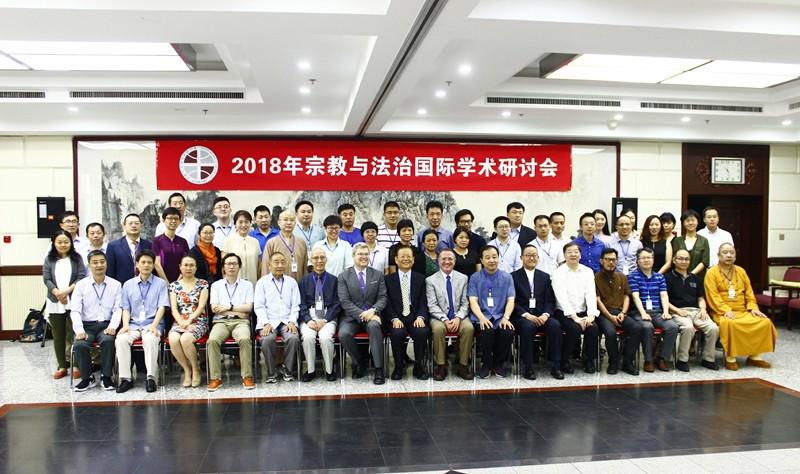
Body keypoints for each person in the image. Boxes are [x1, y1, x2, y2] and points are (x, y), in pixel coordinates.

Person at [705, 243, 777, 370]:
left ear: (735, 256)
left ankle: (754, 356)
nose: (729, 255)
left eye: (732, 253)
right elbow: (713, 295)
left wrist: (753, 308)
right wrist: (725, 310)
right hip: (721, 311)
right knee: (730, 323)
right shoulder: (711, 273)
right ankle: (730, 358)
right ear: (718, 255)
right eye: (725, 252)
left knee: (764, 322)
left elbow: (749, 293)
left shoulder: (741, 271)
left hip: (743, 310)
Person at [115, 250, 168, 393]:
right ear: (137, 264)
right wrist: (125, 325)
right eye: (143, 262)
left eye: (149, 262)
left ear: (153, 265)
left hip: (152, 323)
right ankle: (126, 378)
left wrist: (154, 325)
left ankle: (151, 377)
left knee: (150, 339)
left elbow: (162, 307)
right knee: (121, 339)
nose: (146, 265)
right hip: (133, 324)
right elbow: (126, 308)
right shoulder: (128, 284)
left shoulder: (161, 284)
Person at [71, 250, 122, 392]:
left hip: (106, 325)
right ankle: (87, 378)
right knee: (80, 344)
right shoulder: (81, 285)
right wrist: (79, 330)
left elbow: (118, 309)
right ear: (89, 265)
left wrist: (113, 326)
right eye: (95, 262)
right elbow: (75, 310)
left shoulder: (116, 285)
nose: (99, 265)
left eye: (102, 262)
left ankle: (107, 376)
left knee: (108, 340)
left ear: (107, 264)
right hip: (87, 326)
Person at [337, 243, 388, 384]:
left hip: (373, 315)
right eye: (360, 254)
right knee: (343, 334)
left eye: (366, 254)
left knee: (374, 327)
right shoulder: (343, 276)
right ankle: (359, 362)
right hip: (351, 318)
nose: (364, 257)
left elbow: (383, 297)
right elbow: (345, 302)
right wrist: (363, 314)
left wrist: (373, 310)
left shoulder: (377, 274)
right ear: (353, 256)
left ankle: (379, 369)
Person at [511, 245, 564, 380]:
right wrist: (527, 315)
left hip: (542, 315)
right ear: (521, 258)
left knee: (555, 325)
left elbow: (550, 300)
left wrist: (545, 315)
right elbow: (512, 301)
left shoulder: (545, 277)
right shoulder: (513, 277)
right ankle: (528, 367)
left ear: (538, 258)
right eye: (528, 255)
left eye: (534, 255)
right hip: (522, 316)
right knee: (528, 327)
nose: (531, 258)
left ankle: (556, 366)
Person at [666, 249, 720, 372]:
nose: (684, 261)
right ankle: (682, 360)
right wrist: (677, 311)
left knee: (713, 328)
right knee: (688, 327)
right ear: (674, 260)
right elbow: (664, 300)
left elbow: (701, 298)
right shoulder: (667, 278)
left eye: (686, 259)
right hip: (677, 311)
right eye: (680, 258)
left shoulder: (695, 278)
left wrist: (703, 309)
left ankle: (708, 359)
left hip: (696, 311)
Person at [207, 253, 255, 391]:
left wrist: (228, 307)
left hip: (241, 322)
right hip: (220, 322)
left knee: (245, 339)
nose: (231, 267)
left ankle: (247, 376)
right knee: (212, 341)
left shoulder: (247, 285)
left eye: (234, 264)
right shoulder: (216, 285)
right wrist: (238, 311)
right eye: (228, 264)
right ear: (223, 267)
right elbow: (215, 308)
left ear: (239, 266)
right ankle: (215, 378)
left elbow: (249, 308)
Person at [43, 230, 86, 379]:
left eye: (66, 242)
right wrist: (57, 293)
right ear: (54, 243)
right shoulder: (49, 259)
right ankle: (62, 366)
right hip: (55, 301)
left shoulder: (77, 258)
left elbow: (81, 276)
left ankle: (76, 365)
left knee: (75, 333)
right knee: (58, 335)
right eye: (59, 242)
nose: (63, 245)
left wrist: (66, 292)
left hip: (73, 299)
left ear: (71, 243)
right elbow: (46, 278)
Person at [628, 247, 680, 372]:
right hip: (639, 313)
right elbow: (635, 297)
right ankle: (648, 360)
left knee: (672, 326)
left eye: (649, 257)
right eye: (643, 258)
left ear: (653, 260)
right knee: (647, 327)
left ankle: (662, 358)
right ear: (637, 261)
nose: (646, 260)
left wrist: (666, 312)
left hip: (657, 312)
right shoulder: (632, 276)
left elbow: (664, 295)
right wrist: (643, 313)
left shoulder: (659, 277)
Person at [468, 245, 516, 378]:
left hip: (501, 316)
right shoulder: (475, 277)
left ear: (499, 259)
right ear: (482, 261)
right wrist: (481, 318)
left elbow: (511, 300)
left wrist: (506, 317)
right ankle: (486, 364)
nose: (491, 260)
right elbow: (473, 301)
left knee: (507, 332)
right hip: (481, 316)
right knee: (487, 331)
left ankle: (498, 364)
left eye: (494, 257)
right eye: (487, 257)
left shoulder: (507, 277)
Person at [551, 242, 600, 374]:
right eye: (569, 252)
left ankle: (589, 360)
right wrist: (575, 318)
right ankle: (564, 360)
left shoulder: (587, 271)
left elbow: (591, 294)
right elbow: (561, 298)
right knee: (574, 328)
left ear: (580, 255)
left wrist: (591, 315)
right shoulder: (558, 273)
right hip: (563, 312)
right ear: (564, 255)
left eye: (576, 252)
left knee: (593, 328)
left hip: (583, 311)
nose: (573, 254)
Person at [426, 249, 474, 381]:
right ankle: (441, 365)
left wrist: (458, 318)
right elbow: (432, 305)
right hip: (439, 317)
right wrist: (445, 319)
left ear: (455, 261)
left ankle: (463, 365)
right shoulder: (430, 280)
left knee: (468, 328)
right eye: (443, 259)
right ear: (438, 261)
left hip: (460, 315)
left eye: (450, 259)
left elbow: (465, 302)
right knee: (438, 329)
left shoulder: (463, 278)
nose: (447, 262)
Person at [384, 245, 430, 380]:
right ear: (396, 260)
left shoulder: (421, 278)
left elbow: (424, 301)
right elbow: (386, 302)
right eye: (402, 257)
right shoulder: (388, 279)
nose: (406, 259)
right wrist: (394, 318)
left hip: (415, 316)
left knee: (421, 331)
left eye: (408, 257)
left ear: (413, 260)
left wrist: (421, 317)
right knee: (397, 333)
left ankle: (419, 367)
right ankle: (398, 367)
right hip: (397, 317)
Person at [594, 248, 642, 376]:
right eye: (608, 259)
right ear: (601, 261)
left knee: (637, 328)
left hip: (620, 312)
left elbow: (627, 296)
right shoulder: (595, 278)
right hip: (604, 314)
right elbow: (597, 300)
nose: (611, 262)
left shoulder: (622, 276)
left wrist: (623, 313)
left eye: (613, 260)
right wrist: (610, 317)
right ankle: (613, 363)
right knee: (610, 333)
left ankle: (627, 362)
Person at [255, 252, 301, 383]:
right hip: (268, 321)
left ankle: (288, 370)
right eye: (276, 262)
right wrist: (265, 323)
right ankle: (271, 372)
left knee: (293, 338)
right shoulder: (262, 283)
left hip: (287, 321)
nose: (280, 265)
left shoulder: (292, 282)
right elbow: (259, 307)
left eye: (282, 262)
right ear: (269, 265)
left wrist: (292, 321)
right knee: (267, 339)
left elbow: (296, 305)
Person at [298, 247, 341, 382]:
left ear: (326, 259)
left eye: (322, 257)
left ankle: (329, 370)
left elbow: (337, 304)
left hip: (328, 316)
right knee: (308, 337)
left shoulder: (334, 280)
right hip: (309, 316)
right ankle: (310, 370)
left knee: (325, 338)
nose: (319, 261)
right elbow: (301, 303)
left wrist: (325, 320)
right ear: (311, 260)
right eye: (316, 258)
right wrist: (308, 319)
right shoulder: (303, 281)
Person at [168, 255, 209, 388]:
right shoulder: (174, 286)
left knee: (186, 339)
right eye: (185, 265)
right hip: (179, 321)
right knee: (173, 339)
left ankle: (196, 369)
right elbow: (174, 309)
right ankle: (187, 370)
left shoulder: (203, 284)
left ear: (196, 268)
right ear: (180, 267)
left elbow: (201, 306)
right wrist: (181, 321)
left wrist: (190, 320)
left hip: (198, 321)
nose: (188, 268)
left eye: (191, 265)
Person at [264, 210, 309, 281]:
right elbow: (266, 267)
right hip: (277, 284)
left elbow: (305, 267)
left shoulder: (301, 242)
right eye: (285, 220)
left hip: (298, 283)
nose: (289, 223)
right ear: (279, 222)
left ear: (295, 223)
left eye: (292, 220)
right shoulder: (271, 243)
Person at [106, 213, 152, 282]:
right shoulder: (113, 246)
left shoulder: (148, 245)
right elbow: (110, 272)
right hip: (122, 285)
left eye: (136, 223)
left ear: (141, 226)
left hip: (145, 284)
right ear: (124, 226)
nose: (133, 225)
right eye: (130, 223)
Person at [152, 207, 190, 283]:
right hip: (160, 281)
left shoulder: (183, 241)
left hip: (180, 281)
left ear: (179, 221)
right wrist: (166, 282)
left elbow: (186, 262)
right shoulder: (157, 241)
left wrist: (177, 282)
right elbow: (157, 264)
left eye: (176, 218)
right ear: (163, 220)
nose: (173, 221)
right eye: (170, 218)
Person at [222, 210, 261, 284]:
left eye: (246, 222)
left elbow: (259, 266)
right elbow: (223, 266)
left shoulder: (255, 242)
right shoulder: (228, 241)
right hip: (233, 283)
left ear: (250, 223)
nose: (243, 225)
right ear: (235, 224)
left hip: (252, 281)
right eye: (240, 222)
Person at [671, 209, 710, 277]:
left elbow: (705, 262)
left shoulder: (704, 240)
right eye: (687, 221)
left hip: (698, 277)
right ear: (683, 223)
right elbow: (674, 259)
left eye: (693, 220)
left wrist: (691, 275)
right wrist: (684, 275)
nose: (690, 223)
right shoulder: (677, 240)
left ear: (697, 222)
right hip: (679, 277)